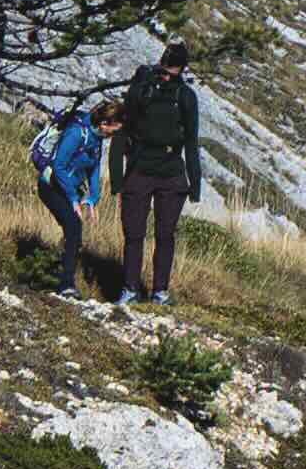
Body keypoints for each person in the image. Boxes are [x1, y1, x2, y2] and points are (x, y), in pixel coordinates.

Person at [109, 47, 204, 305]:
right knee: (133, 232)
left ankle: (159, 291)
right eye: (164, 70)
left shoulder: (185, 96)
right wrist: (117, 178)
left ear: (181, 70)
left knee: (165, 234)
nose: (166, 76)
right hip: (140, 168)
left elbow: (191, 141)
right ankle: (130, 289)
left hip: (171, 173)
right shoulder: (141, 89)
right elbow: (122, 131)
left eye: (172, 71)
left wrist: (195, 184)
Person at [34, 96, 110, 291]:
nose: (115, 133)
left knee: (73, 231)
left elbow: (94, 168)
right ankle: (66, 283)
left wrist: (93, 197)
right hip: (51, 186)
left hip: (68, 189)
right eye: (115, 128)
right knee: (74, 227)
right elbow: (59, 167)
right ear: (104, 124)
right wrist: (74, 198)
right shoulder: (77, 134)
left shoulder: (97, 139)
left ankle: (58, 274)